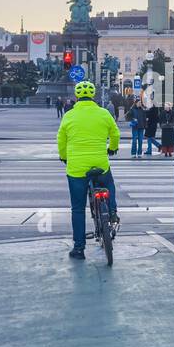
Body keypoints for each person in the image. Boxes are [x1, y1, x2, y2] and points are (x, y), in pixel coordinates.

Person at [56, 80, 120, 260]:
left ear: (77, 97)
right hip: (100, 163)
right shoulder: (104, 113)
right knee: (109, 184)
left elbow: (61, 139)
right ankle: (112, 210)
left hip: (76, 168)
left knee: (77, 208)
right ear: (93, 96)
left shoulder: (69, 115)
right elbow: (115, 133)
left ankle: (79, 248)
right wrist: (112, 148)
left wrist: (64, 156)